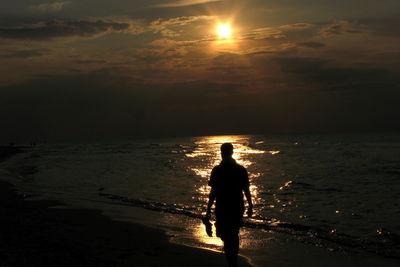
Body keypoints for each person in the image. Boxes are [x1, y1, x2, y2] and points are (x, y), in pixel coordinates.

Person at [205, 143, 253, 267]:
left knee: (227, 235)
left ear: (223, 153)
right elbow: (246, 190)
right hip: (236, 206)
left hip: (224, 207)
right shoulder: (239, 169)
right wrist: (250, 205)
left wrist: (208, 209)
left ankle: (232, 261)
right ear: (232, 152)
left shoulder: (219, 170)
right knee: (231, 234)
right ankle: (233, 260)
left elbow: (213, 192)